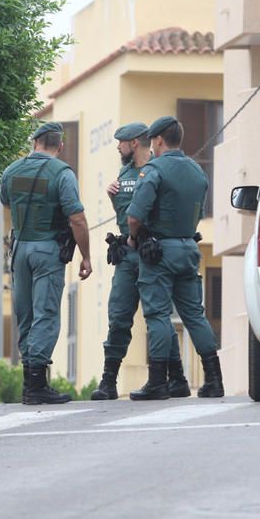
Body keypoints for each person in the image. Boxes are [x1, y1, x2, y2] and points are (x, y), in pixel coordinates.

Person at [126, 115, 224, 400]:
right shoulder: (197, 171)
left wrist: (134, 237)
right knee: (195, 314)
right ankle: (214, 380)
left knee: (157, 314)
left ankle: (158, 381)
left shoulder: (154, 170)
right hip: (188, 249)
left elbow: (134, 216)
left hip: (159, 252)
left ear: (157, 140)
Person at [91, 122, 189, 401]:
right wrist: (113, 198)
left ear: (134, 143)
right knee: (119, 315)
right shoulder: (124, 172)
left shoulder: (160, 170)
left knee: (158, 316)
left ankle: (176, 377)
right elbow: (126, 215)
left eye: (121, 142)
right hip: (126, 254)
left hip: (152, 252)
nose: (118, 147)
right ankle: (108, 381)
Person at [1, 122, 92, 405]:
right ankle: (37, 384)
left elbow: (7, 201)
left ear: (35, 142)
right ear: (59, 145)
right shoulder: (62, 174)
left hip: (19, 249)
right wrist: (85, 255)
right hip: (48, 250)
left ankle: (30, 382)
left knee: (25, 314)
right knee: (46, 313)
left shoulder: (11, 171)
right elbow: (76, 218)